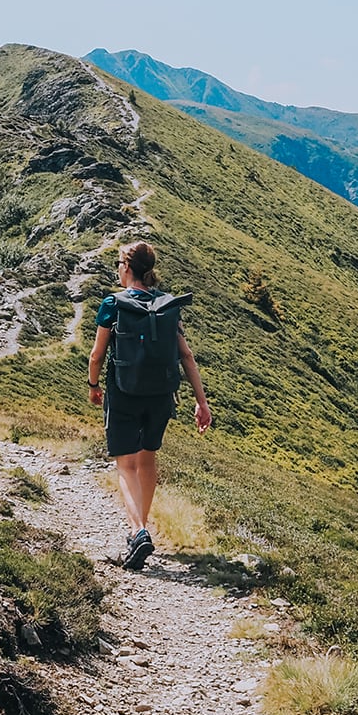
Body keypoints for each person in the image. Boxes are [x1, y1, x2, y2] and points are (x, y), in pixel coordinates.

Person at [86, 240, 211, 570]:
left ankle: (138, 530)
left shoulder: (113, 304)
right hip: (160, 395)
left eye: (118, 263)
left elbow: (97, 354)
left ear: (127, 268)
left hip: (124, 392)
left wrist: (94, 385)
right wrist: (201, 402)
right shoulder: (168, 304)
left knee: (125, 465)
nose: (117, 269)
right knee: (147, 460)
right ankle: (140, 530)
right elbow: (186, 355)